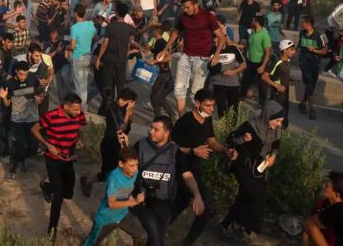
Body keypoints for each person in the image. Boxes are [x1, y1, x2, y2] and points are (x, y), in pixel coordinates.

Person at [170, 89, 237, 244]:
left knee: (181, 202)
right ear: (197, 103)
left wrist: (225, 151)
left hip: (195, 169)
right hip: (182, 169)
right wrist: (193, 151)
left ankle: (162, 228)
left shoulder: (206, 120)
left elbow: (211, 142)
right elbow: (171, 147)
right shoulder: (185, 122)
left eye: (212, 106)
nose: (211, 109)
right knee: (206, 208)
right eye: (207, 105)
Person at [221, 100, 285, 238]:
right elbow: (230, 139)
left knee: (244, 196)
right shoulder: (251, 126)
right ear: (268, 115)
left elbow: (276, 143)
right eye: (277, 120)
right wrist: (243, 139)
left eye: (281, 121)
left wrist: (273, 155)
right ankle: (247, 225)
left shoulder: (276, 129)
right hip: (242, 165)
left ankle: (228, 225)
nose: (278, 124)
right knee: (256, 195)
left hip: (258, 168)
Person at [157, 0, 227, 116]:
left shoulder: (208, 17)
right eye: (184, 7)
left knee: (196, 94)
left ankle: (197, 121)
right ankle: (182, 120)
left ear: (195, 5)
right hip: (186, 57)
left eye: (187, 7)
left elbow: (221, 38)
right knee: (179, 90)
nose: (185, 10)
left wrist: (216, 55)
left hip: (202, 59)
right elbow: (175, 33)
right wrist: (165, 49)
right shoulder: (183, 17)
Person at [32, 93, 87, 237]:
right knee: (59, 196)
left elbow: (80, 127)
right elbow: (34, 129)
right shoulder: (51, 116)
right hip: (53, 159)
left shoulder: (78, 115)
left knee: (68, 193)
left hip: (68, 159)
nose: (78, 112)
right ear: (66, 106)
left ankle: (46, 186)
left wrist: (79, 139)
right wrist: (47, 145)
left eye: (79, 109)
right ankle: (52, 229)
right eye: (75, 109)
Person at [131, 115, 181, 246]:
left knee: (156, 238)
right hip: (143, 202)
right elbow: (127, 168)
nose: (151, 131)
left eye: (156, 129)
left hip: (165, 203)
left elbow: (185, 175)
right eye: (151, 128)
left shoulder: (176, 151)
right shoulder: (140, 145)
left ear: (167, 132)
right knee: (157, 240)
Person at [80, 87, 136, 197]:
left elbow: (128, 126)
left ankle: (90, 181)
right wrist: (128, 113)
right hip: (110, 145)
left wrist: (129, 113)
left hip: (118, 145)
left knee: (114, 172)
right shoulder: (113, 109)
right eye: (132, 102)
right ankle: (87, 180)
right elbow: (122, 127)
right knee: (107, 173)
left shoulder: (123, 108)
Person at [83, 147, 144, 246]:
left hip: (123, 215)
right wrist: (135, 202)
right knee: (91, 244)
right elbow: (111, 203)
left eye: (137, 165)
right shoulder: (114, 178)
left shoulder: (135, 172)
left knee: (142, 236)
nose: (135, 168)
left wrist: (131, 197)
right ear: (121, 164)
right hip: (106, 219)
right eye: (131, 166)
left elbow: (128, 188)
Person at [0, 61, 44, 180]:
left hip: (32, 119)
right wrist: (3, 98)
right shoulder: (9, 83)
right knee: (19, 146)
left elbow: (40, 92)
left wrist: (40, 99)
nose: (23, 76)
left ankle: (21, 158)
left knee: (33, 148)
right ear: (16, 72)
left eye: (26, 74)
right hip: (17, 120)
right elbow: (7, 105)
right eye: (21, 74)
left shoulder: (33, 78)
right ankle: (13, 170)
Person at [95, 2, 137, 102]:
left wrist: (98, 58)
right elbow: (133, 39)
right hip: (122, 60)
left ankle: (109, 106)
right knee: (120, 85)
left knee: (108, 85)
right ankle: (121, 105)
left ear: (116, 13)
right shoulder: (129, 28)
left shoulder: (110, 27)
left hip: (109, 59)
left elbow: (105, 44)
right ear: (126, 14)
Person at [302, 171, 343, 246]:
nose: (323, 186)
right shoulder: (321, 205)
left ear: (336, 194)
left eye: (327, 186)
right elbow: (307, 229)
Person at [298, 15, 329, 119]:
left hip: (314, 65)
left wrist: (314, 50)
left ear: (309, 24)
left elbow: (325, 51)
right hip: (304, 64)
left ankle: (302, 103)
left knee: (310, 86)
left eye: (303, 22)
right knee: (309, 85)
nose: (301, 24)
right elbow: (299, 46)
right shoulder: (302, 33)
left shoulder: (319, 36)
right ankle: (311, 109)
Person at [262, 39, 296, 126]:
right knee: (276, 121)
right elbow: (264, 77)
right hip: (277, 98)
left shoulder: (287, 61)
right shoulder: (276, 62)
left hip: (285, 97)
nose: (294, 52)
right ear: (285, 50)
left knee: (284, 122)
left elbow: (281, 75)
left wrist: (291, 79)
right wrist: (276, 86)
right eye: (291, 49)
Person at [209, 38, 247, 117]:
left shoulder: (233, 49)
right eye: (214, 42)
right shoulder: (212, 50)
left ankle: (233, 129)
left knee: (233, 111)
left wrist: (233, 72)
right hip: (218, 84)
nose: (216, 44)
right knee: (221, 109)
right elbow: (209, 67)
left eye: (217, 42)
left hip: (233, 84)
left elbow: (244, 65)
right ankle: (223, 128)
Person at [69, 4, 97, 107]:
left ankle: (79, 108)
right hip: (88, 57)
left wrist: (67, 48)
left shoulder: (74, 27)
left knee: (78, 85)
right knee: (84, 84)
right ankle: (84, 107)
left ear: (76, 13)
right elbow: (96, 37)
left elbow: (72, 46)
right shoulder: (90, 25)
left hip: (78, 58)